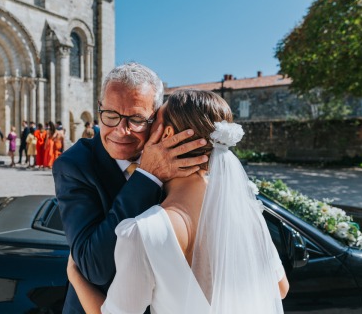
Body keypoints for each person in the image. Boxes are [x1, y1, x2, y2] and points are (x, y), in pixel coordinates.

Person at [67, 89, 290, 313]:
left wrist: (75, 276)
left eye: (152, 122)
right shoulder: (246, 214)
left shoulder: (144, 232)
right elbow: (281, 288)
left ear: (167, 134)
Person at [52, 63, 208, 313]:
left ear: (157, 119)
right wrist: (147, 176)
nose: (120, 130)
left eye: (136, 119)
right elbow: (95, 268)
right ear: (99, 108)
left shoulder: (180, 159)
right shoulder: (74, 165)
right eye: (110, 115)